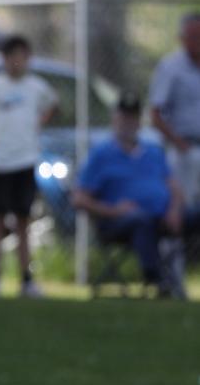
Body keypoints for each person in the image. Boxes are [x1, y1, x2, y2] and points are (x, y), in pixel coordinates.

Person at [73, 92, 199, 299]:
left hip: (163, 216)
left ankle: (172, 278)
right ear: (115, 119)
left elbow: (175, 189)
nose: (128, 122)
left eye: (132, 117)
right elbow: (79, 199)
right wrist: (113, 211)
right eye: (124, 117)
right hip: (119, 222)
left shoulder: (153, 152)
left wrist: (175, 210)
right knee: (141, 220)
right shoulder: (101, 154)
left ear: (139, 121)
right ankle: (156, 280)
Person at [0, 35, 57, 298]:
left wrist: (39, 123)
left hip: (25, 161)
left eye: (22, 57)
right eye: (12, 57)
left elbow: (53, 103)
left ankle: (26, 279)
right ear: (4, 59)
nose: (17, 62)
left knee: (23, 221)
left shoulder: (36, 86)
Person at [150, 12, 200, 209]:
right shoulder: (171, 68)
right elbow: (155, 114)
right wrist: (180, 144)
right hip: (184, 150)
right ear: (182, 38)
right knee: (184, 206)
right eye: (193, 36)